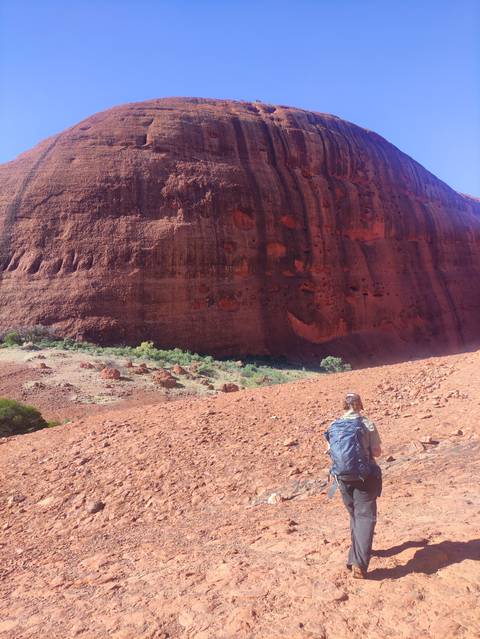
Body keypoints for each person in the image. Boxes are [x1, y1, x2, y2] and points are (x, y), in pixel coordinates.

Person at [325, 393, 382, 579]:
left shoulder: (333, 426)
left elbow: (330, 452)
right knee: (365, 517)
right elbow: (377, 452)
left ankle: (353, 557)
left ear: (344, 406)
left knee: (354, 516)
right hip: (365, 478)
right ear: (360, 405)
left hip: (342, 479)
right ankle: (359, 563)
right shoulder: (367, 424)